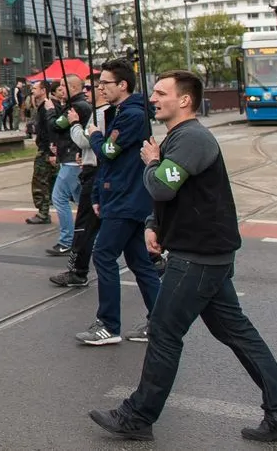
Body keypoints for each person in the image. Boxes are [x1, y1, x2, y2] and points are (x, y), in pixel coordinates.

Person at [90, 71, 277, 443]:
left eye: (161, 93)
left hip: (198, 256)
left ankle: (138, 415)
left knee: (163, 331)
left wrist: (149, 162)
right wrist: (152, 225)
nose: (154, 98)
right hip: (205, 252)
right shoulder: (179, 137)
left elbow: (161, 186)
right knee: (236, 332)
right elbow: (173, 195)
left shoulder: (192, 137)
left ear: (185, 101)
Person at [75, 58, 160, 346]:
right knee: (139, 262)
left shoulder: (132, 115)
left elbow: (109, 152)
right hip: (123, 195)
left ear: (122, 85)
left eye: (105, 84)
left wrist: (96, 136)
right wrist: (99, 193)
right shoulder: (122, 112)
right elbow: (112, 162)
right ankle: (160, 321)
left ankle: (108, 325)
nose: (101, 89)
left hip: (126, 198)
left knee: (103, 254)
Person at [51, 83, 109, 288]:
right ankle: (152, 261)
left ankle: (78, 271)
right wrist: (84, 155)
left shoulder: (101, 113)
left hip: (95, 173)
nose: (86, 91)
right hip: (90, 168)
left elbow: (87, 140)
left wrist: (74, 123)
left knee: (84, 225)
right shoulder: (98, 111)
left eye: (91, 86)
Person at [46, 75, 95, 256]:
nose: (60, 90)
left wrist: (50, 110)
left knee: (59, 197)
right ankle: (92, 236)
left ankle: (67, 240)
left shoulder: (77, 107)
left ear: (73, 87)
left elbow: (55, 126)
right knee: (81, 200)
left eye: (63, 87)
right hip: (71, 158)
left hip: (72, 161)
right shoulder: (77, 105)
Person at [26, 82, 55, 225]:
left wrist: (50, 151)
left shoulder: (46, 107)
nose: (32, 90)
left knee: (41, 182)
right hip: (44, 148)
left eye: (35, 88)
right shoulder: (42, 107)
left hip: (45, 151)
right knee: (47, 182)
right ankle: (44, 211)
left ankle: (43, 213)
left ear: (43, 90)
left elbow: (50, 131)